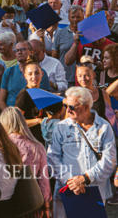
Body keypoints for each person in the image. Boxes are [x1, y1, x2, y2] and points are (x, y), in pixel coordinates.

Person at [47, 86, 117, 218]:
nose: (67, 110)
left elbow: (110, 160)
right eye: (65, 105)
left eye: (72, 107)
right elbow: (52, 158)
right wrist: (71, 181)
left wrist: (85, 178)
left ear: (86, 107)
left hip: (95, 192)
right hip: (66, 192)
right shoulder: (61, 127)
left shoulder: (103, 127)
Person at [0, 107, 51, 217]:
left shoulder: (1, 146)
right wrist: (46, 205)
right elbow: (43, 180)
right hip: (31, 200)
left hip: (7, 201)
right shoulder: (37, 146)